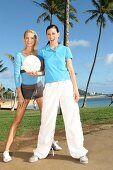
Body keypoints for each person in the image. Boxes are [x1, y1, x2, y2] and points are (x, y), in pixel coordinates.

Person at [29, 25, 88, 164]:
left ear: (58, 34)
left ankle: (80, 152)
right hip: (50, 86)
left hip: (66, 85)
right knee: (47, 119)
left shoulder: (65, 49)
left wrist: (75, 89)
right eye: (48, 34)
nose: (51, 36)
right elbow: (42, 71)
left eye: (53, 33)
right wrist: (35, 73)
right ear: (46, 36)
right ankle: (40, 152)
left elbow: (71, 70)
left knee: (72, 118)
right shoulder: (43, 51)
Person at [3, 29, 61, 163]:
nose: (29, 40)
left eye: (32, 38)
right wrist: (20, 95)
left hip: (39, 88)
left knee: (46, 118)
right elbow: (16, 75)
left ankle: (51, 141)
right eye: (27, 38)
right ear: (24, 39)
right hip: (25, 90)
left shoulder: (39, 53)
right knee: (17, 121)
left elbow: (44, 71)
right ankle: (6, 151)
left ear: (35, 40)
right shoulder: (19, 55)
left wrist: (38, 74)